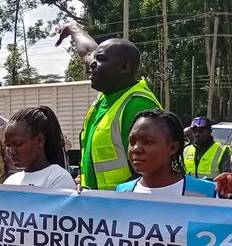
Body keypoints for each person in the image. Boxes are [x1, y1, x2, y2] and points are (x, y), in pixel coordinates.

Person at [56, 23, 160, 190]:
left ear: (125, 67)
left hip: (122, 208)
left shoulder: (137, 105)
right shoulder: (109, 97)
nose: (92, 64)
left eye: (101, 59)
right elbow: (88, 53)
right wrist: (73, 29)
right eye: (95, 59)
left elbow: (151, 170)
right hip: (99, 207)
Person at [116, 110, 215, 198]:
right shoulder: (121, 192)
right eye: (132, 142)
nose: (136, 149)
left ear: (172, 148)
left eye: (148, 142)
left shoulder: (208, 193)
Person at [1, 106, 77, 190]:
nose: (11, 152)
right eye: (7, 146)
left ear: (39, 141)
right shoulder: (11, 181)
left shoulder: (58, 178)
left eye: (18, 144)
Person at [183, 116, 232, 181]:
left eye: (201, 131)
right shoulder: (186, 150)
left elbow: (227, 177)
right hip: (189, 190)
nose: (196, 134)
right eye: (194, 131)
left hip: (212, 190)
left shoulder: (221, 150)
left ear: (210, 131)